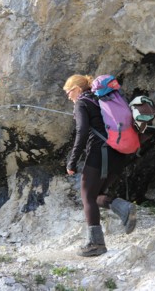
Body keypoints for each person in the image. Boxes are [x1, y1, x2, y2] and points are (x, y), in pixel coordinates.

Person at [63, 74, 137, 257]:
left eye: (69, 91)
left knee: (87, 196)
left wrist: (72, 161)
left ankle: (96, 244)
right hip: (119, 153)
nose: (68, 95)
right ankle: (123, 207)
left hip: (99, 154)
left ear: (78, 89)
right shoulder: (101, 99)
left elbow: (81, 131)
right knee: (96, 196)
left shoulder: (82, 103)